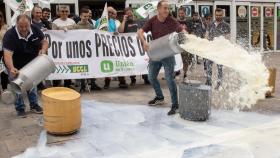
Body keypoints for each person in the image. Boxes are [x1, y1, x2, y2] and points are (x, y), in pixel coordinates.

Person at [138, 0, 186, 115]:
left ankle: (175, 105)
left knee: (170, 79)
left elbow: (181, 30)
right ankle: (159, 97)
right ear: (158, 9)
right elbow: (140, 31)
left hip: (168, 54)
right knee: (151, 77)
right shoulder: (153, 20)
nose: (167, 10)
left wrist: (186, 34)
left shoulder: (171, 21)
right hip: (155, 53)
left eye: (168, 8)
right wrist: (144, 42)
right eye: (165, 8)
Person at [3, 14, 48, 117]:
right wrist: (11, 68)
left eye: (26, 26)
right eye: (20, 26)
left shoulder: (36, 30)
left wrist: (43, 49)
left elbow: (44, 42)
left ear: (30, 24)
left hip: (31, 63)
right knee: (17, 85)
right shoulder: (10, 35)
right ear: (16, 24)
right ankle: (20, 108)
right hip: (15, 64)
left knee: (32, 83)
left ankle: (34, 105)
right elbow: (7, 55)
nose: (23, 29)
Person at [95, 6, 128, 89]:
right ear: (105, 12)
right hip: (104, 46)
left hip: (114, 45)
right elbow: (96, 32)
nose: (111, 14)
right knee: (108, 64)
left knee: (118, 62)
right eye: (109, 12)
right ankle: (107, 82)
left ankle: (122, 81)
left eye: (112, 13)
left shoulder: (113, 21)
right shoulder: (99, 21)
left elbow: (118, 31)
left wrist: (115, 32)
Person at [118, 7, 150, 86]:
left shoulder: (137, 21)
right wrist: (124, 20)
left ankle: (146, 78)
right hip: (130, 47)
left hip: (139, 46)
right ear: (125, 15)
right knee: (132, 62)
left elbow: (141, 31)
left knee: (142, 61)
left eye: (130, 13)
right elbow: (120, 31)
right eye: (128, 13)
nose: (130, 14)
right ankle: (133, 79)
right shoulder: (123, 22)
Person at [75, 8, 101, 92]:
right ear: (80, 16)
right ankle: (82, 85)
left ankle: (92, 83)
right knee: (82, 67)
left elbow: (98, 33)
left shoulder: (91, 26)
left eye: (87, 16)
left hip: (90, 50)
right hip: (80, 50)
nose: (86, 18)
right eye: (84, 16)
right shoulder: (76, 26)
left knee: (92, 66)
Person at [205, 8, 230, 89]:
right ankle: (208, 82)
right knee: (208, 67)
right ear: (214, 15)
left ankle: (219, 83)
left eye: (220, 15)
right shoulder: (210, 24)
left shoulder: (226, 25)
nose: (218, 16)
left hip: (220, 50)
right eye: (217, 15)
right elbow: (206, 35)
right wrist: (205, 41)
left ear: (222, 15)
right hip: (210, 50)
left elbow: (227, 38)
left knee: (220, 68)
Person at [52, 5, 76, 88]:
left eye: (66, 11)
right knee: (58, 65)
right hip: (59, 48)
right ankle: (56, 85)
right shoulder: (55, 22)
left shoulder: (72, 22)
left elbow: (77, 33)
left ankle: (67, 84)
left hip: (69, 48)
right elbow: (53, 35)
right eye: (62, 11)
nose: (64, 13)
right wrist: (61, 30)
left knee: (68, 65)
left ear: (69, 12)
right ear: (58, 12)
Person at [0, 11, 9, 91]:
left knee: (3, 71)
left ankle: (4, 88)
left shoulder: (6, 27)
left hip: (3, 51)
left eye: (0, 16)